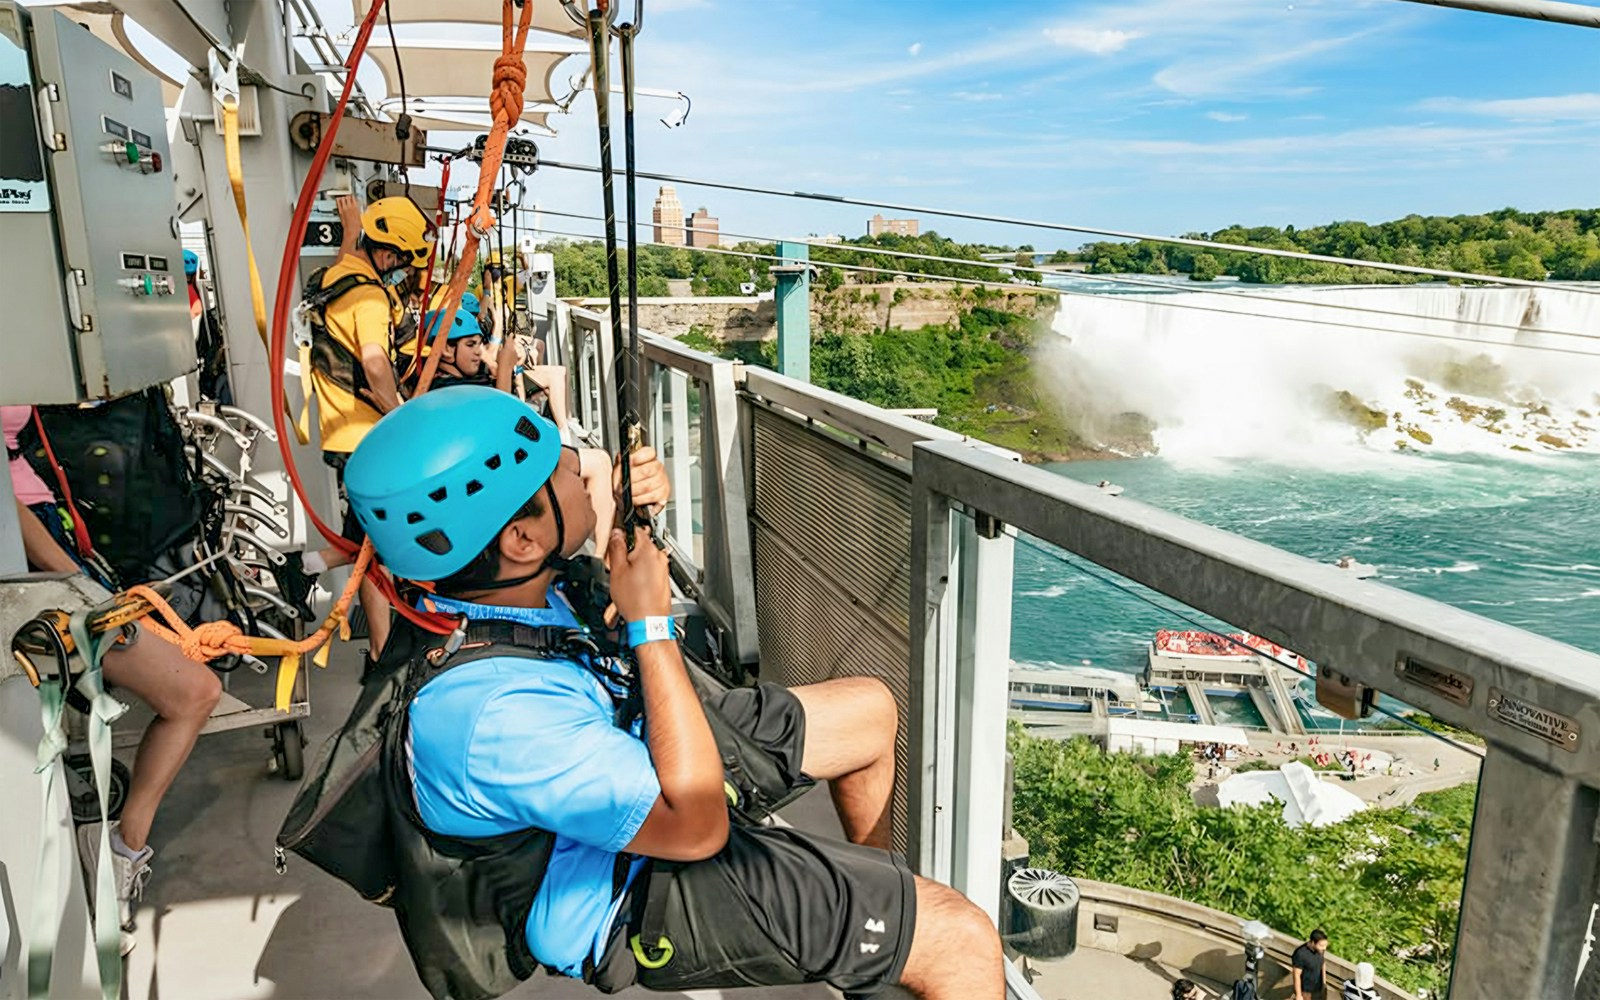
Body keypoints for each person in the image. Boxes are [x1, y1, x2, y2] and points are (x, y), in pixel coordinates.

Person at [341, 387, 1003, 999]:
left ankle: (871, 937)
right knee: (960, 938)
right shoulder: (488, 717)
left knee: (868, 713)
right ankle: (893, 934)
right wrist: (651, 625)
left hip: (630, 762)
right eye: (562, 467)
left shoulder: (492, 596)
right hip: (628, 890)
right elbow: (697, 827)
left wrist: (630, 514)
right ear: (520, 539)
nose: (581, 466)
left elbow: (583, 609)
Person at [5, 405, 222, 954]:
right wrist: (76, 584)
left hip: (49, 540)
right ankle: (110, 866)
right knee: (193, 691)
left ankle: (116, 858)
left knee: (194, 691)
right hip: (33, 563)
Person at [281, 195, 431, 663]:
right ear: (389, 254)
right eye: (403, 263)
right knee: (385, 542)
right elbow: (374, 361)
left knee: (372, 537)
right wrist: (400, 415)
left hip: (340, 430)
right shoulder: (369, 297)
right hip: (368, 434)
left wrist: (350, 230)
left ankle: (308, 567)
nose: (402, 272)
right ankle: (384, 652)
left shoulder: (335, 278)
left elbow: (349, 263)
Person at [1291, 928, 1330, 1000]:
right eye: (1321, 945)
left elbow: (1322, 963)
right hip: (1306, 991)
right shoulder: (1301, 954)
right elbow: (1296, 974)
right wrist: (1299, 995)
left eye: (1325, 945)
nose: (1324, 948)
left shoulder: (1320, 951)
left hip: (1318, 988)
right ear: (1313, 942)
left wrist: (1324, 983)